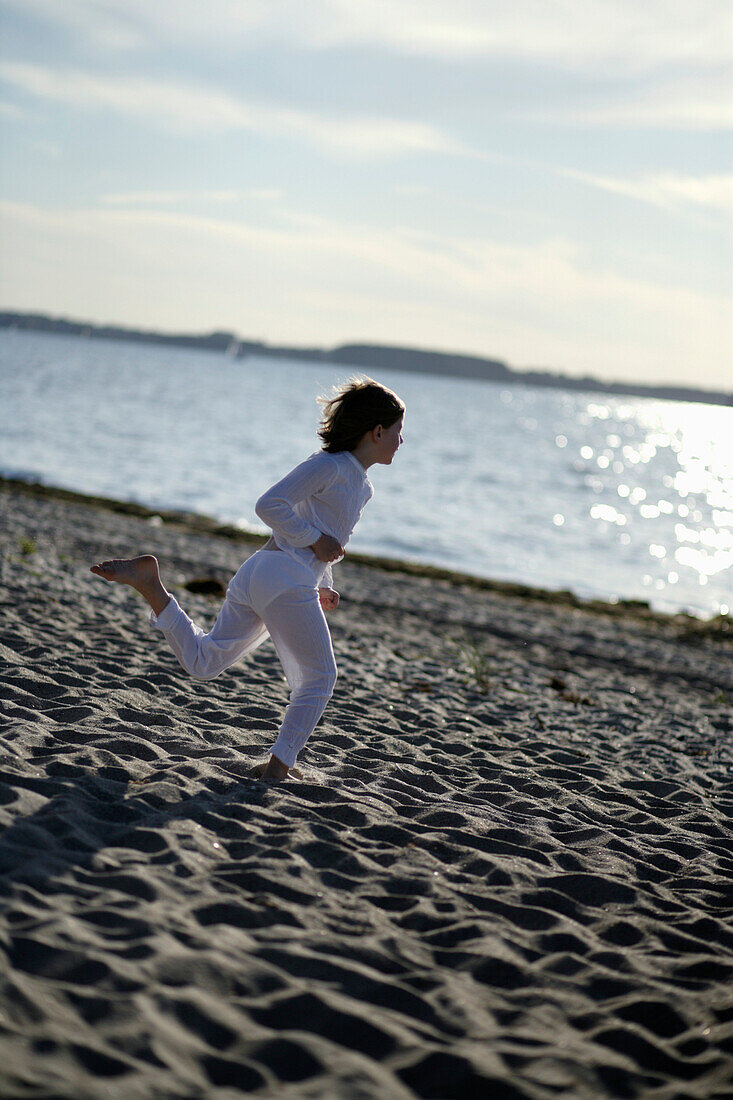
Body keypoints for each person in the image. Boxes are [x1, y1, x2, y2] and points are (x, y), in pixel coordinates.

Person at [90, 377, 405, 781]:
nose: (400, 441)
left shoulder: (361, 486)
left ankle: (152, 586)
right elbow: (269, 505)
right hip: (282, 578)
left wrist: (322, 579)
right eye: (398, 432)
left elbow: (322, 530)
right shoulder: (329, 465)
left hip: (263, 573)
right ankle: (277, 768)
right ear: (377, 431)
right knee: (321, 677)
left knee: (204, 662)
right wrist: (315, 543)